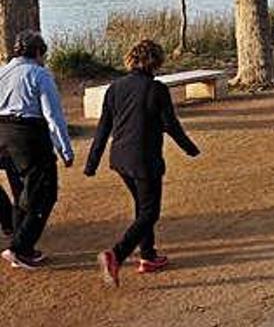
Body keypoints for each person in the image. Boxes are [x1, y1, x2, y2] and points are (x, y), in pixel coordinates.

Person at [85, 39, 199, 287]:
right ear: (155, 62)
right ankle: (116, 254)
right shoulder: (156, 89)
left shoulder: (114, 88)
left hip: (121, 159)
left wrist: (92, 163)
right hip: (144, 159)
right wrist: (191, 149)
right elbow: (170, 125)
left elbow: (103, 128)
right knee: (150, 211)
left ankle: (148, 256)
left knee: (142, 207)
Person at [0, 31, 75, 269]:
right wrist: (65, 149)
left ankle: (23, 246)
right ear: (38, 52)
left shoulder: (1, 72)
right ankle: (18, 249)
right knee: (44, 193)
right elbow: (52, 115)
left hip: (3, 137)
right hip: (28, 136)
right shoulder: (39, 74)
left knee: (21, 193)